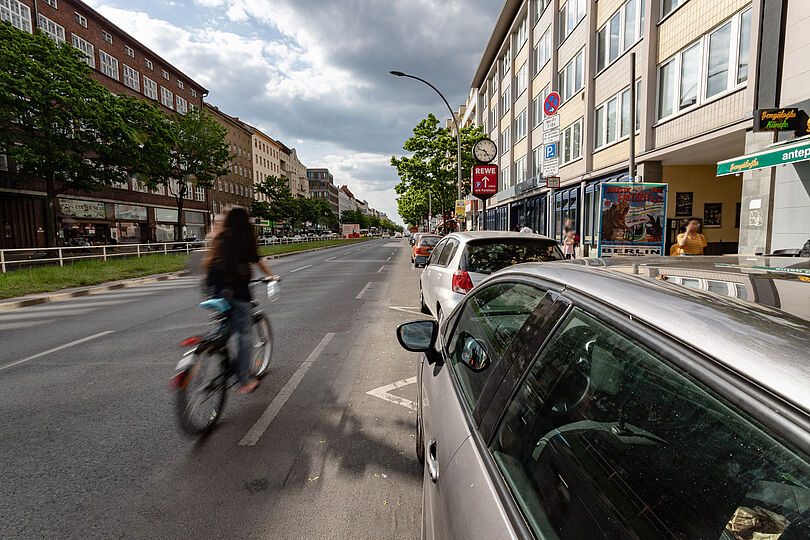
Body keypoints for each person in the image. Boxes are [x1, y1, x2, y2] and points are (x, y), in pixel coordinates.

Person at [203, 206, 275, 394]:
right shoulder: (244, 239)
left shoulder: (219, 237)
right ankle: (244, 380)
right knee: (245, 336)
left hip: (215, 291)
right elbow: (256, 260)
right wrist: (271, 276)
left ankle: (214, 346)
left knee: (225, 325)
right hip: (237, 293)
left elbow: (209, 265)